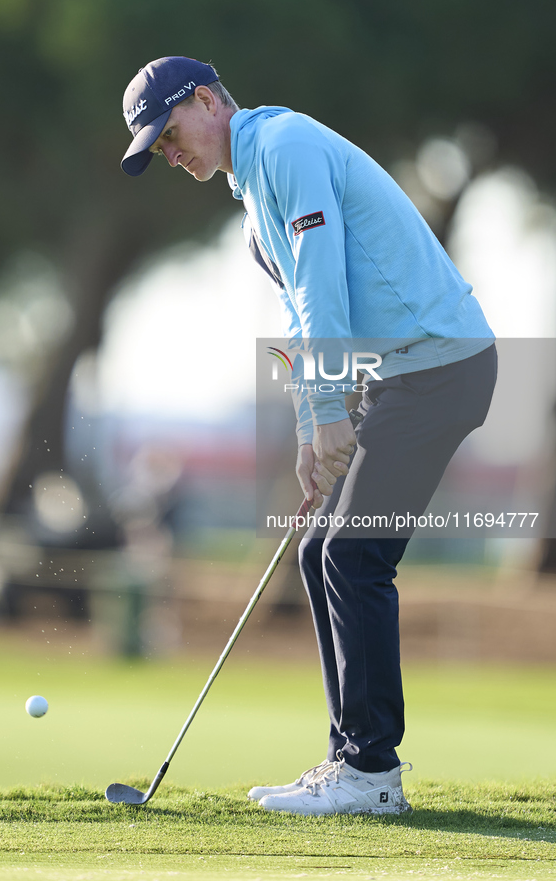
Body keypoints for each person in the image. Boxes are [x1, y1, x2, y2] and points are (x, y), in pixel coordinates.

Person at [121, 56, 497, 816]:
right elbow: (301, 308)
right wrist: (311, 423)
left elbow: (324, 284)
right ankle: (350, 760)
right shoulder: (252, 185)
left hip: (438, 365)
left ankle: (369, 772)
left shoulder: (283, 148)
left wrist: (326, 408)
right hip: (403, 374)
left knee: (352, 553)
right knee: (319, 548)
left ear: (204, 99)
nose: (169, 152)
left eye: (168, 133)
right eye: (155, 148)